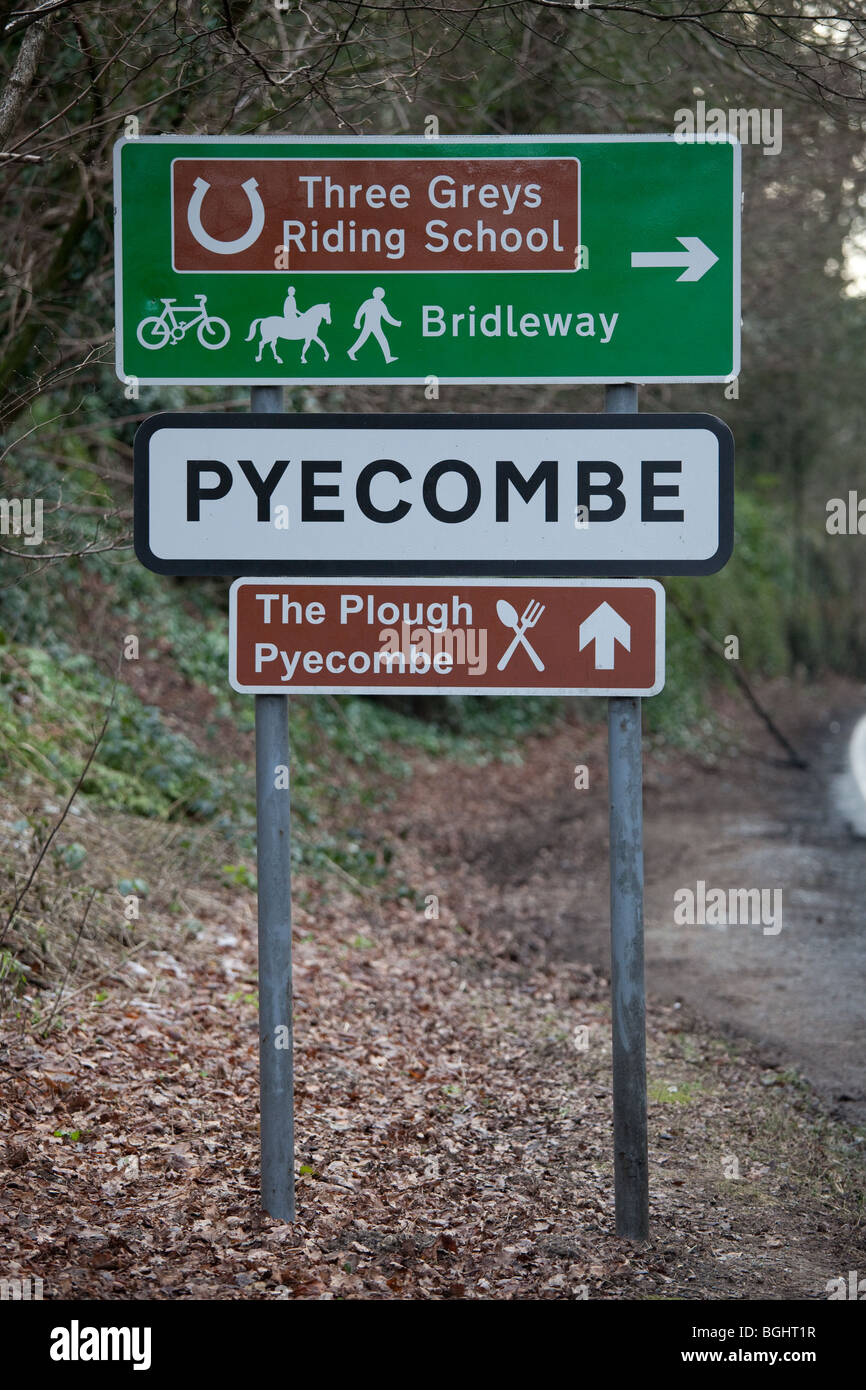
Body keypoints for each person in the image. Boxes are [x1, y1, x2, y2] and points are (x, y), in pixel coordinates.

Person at [347, 287, 401, 363]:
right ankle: (388, 358)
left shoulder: (376, 303)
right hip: (371, 325)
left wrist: (397, 323)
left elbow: (386, 317)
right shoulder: (372, 303)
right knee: (379, 340)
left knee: (365, 339)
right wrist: (357, 322)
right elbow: (360, 312)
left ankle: (351, 351)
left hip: (374, 326)